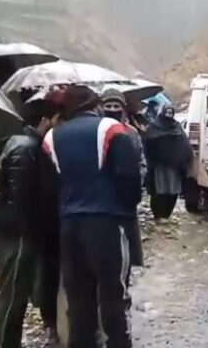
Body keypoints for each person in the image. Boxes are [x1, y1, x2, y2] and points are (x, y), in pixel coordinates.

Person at [42, 85, 142, 348]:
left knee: (78, 295)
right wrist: (127, 209)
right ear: (94, 105)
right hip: (106, 221)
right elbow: (130, 177)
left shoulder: (52, 136)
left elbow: (50, 185)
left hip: (69, 224)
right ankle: (118, 342)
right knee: (113, 292)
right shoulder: (110, 129)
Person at [0, 96, 61, 348]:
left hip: (16, 230)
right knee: (12, 296)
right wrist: (36, 232)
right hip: (16, 233)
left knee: (16, 294)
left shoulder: (26, 143)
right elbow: (22, 201)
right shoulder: (26, 149)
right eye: (55, 120)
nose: (57, 126)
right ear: (44, 120)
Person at [101, 89, 146, 270]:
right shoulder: (97, 131)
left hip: (125, 195)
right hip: (102, 196)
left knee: (126, 244)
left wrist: (136, 181)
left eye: (116, 106)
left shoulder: (131, 133)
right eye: (108, 106)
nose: (112, 110)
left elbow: (141, 162)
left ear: (123, 108)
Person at [144, 105, 192, 220]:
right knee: (158, 191)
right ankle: (158, 215)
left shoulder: (177, 126)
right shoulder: (153, 127)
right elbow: (148, 144)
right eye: (167, 112)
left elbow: (184, 143)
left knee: (173, 191)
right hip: (158, 166)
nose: (169, 115)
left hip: (174, 166)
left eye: (171, 113)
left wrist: (185, 159)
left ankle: (166, 215)